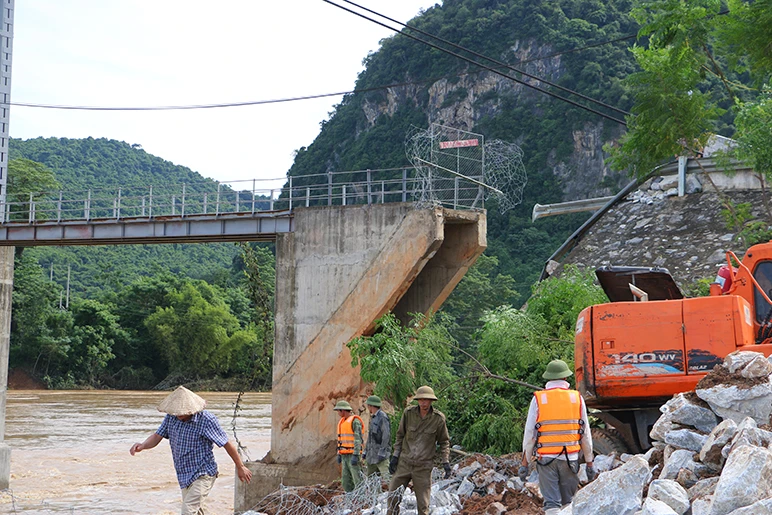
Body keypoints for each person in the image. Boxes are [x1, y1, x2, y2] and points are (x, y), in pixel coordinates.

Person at [130, 386, 252, 515]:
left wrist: (240, 466)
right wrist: (142, 446)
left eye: (181, 411)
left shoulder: (206, 420)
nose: (178, 414)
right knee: (197, 511)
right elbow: (156, 436)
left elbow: (226, 443)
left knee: (188, 511)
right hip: (184, 475)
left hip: (203, 473)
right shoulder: (171, 418)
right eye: (176, 411)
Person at [519, 360, 594, 515]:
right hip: (571, 459)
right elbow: (585, 434)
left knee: (551, 504)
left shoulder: (539, 399)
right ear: (566, 378)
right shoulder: (576, 398)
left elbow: (530, 435)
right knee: (569, 503)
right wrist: (589, 463)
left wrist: (525, 463)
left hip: (546, 460)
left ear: (548, 378)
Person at [387, 385, 450, 515]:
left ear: (431, 401)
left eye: (426, 400)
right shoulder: (408, 414)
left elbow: (444, 442)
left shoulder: (438, 419)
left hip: (423, 467)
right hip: (404, 463)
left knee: (423, 505)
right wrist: (395, 457)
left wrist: (446, 462)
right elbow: (400, 436)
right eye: (421, 399)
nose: (423, 402)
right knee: (392, 498)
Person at [334, 400, 364, 492]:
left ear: (343, 410)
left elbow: (358, 439)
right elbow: (341, 440)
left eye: (338, 411)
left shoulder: (355, 422)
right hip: (344, 455)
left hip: (352, 455)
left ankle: (361, 499)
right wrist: (339, 453)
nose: (338, 413)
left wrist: (356, 454)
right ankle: (350, 498)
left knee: (357, 478)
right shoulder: (342, 422)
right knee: (346, 480)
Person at [364, 395, 391, 481]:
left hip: (380, 455)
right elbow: (370, 437)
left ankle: (395, 494)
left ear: (371, 406)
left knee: (387, 477)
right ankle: (376, 494)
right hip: (372, 455)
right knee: (371, 479)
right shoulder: (374, 418)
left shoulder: (382, 417)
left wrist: (382, 451)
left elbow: (386, 435)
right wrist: (366, 450)